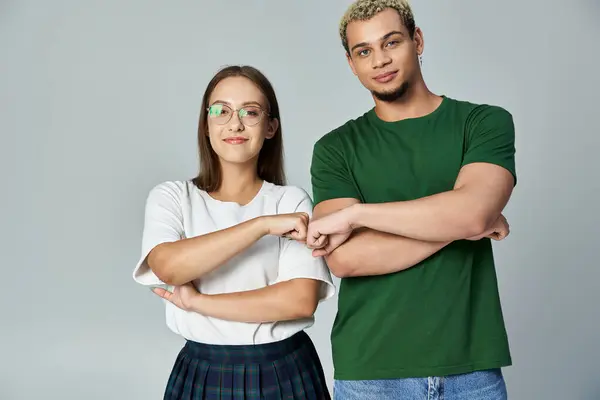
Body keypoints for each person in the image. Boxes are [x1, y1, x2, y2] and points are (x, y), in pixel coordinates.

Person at [306, 0, 516, 399]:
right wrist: (461, 226)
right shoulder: (336, 148)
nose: (379, 60)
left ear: (417, 41)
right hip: (371, 372)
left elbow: (473, 213)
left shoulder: (483, 122)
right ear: (351, 63)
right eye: (363, 51)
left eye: (392, 42)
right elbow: (346, 259)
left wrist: (356, 215)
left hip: (469, 368)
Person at [132, 65, 335, 400]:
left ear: (270, 127)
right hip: (203, 368)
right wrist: (261, 226)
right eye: (221, 111)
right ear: (206, 125)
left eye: (250, 112)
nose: (235, 123)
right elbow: (168, 266)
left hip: (284, 368)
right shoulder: (172, 197)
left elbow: (299, 301)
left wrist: (199, 302)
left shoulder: (291, 200)